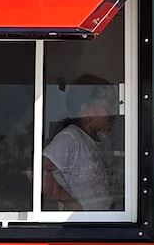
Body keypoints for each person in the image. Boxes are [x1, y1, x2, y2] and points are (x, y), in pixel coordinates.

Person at [41, 76, 118, 211]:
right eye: (107, 105)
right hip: (82, 225)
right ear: (85, 109)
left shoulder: (103, 141)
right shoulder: (70, 138)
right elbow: (37, 172)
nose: (113, 113)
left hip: (105, 220)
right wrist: (70, 202)